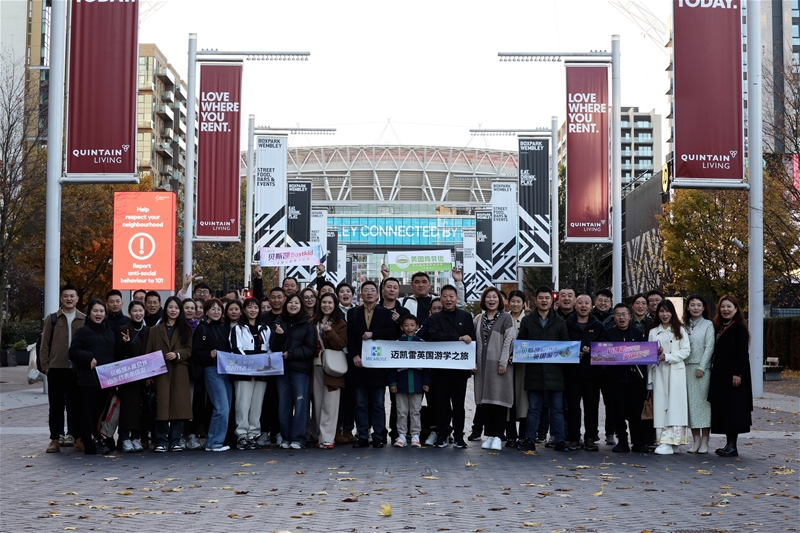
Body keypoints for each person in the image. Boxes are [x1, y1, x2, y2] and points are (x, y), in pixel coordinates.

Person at [517, 286, 570, 452]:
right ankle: (530, 439)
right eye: (541, 298)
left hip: (555, 373)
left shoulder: (559, 321)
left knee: (557, 410)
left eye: (547, 298)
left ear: (551, 300)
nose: (544, 300)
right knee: (534, 409)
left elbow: (566, 347)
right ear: (535, 300)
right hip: (534, 373)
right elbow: (521, 345)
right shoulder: (527, 321)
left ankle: (560, 440)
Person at [346, 281, 396, 448]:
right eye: (365, 290)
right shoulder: (353, 312)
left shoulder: (385, 313)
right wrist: (354, 355)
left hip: (378, 365)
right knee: (360, 403)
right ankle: (362, 435)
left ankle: (378, 435)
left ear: (377, 294)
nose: (369, 293)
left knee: (377, 403)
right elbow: (350, 337)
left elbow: (391, 333)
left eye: (372, 291)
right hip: (359, 365)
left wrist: (373, 334)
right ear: (360, 294)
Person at [424, 284, 475, 449]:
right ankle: (442, 435)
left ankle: (459, 436)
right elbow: (436, 335)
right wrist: (458, 338)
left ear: (456, 298)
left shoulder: (466, 317)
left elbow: (472, 341)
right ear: (440, 298)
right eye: (445, 296)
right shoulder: (434, 318)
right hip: (440, 370)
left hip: (459, 371)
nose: (448, 299)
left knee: (459, 405)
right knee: (442, 405)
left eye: (451, 296)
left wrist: (471, 363)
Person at [145, 296, 193, 452]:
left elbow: (189, 351)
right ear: (165, 309)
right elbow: (149, 353)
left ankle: (175, 440)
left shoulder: (186, 329)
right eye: (171, 307)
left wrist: (177, 355)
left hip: (179, 372)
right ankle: (161, 440)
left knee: (178, 407)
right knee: (162, 408)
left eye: (176, 308)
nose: (173, 310)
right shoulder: (154, 330)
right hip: (160, 373)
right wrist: (149, 376)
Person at [42, 285, 87, 454]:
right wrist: (46, 366)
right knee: (56, 406)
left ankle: (77, 438)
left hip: (76, 369)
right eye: (65, 296)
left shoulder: (84, 319)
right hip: (56, 369)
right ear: (61, 299)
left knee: (75, 406)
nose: (69, 299)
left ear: (77, 299)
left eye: (72, 296)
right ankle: (55, 439)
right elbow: (44, 345)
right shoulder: (52, 319)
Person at [69, 299, 116, 454]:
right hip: (88, 381)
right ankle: (88, 443)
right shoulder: (83, 332)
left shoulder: (109, 332)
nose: (99, 314)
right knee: (87, 413)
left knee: (100, 413)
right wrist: (88, 357)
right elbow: (73, 352)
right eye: (95, 311)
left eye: (101, 311)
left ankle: (99, 439)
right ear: (89, 313)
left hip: (106, 381)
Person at [269, 293, 316, 449]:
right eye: (290, 302)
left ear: (301, 306)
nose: (293, 305)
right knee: (284, 405)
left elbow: (310, 349)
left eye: (296, 303)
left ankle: (298, 438)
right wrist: (279, 336)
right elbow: (273, 347)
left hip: (300, 370)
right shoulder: (278, 322)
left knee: (300, 404)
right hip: (281, 370)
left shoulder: (307, 324)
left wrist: (291, 354)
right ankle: (286, 437)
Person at [708, 295, 752, 457]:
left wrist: (737, 373)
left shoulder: (739, 328)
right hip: (721, 375)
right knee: (725, 410)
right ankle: (729, 444)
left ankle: (732, 445)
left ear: (735, 309)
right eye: (723, 307)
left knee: (734, 409)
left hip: (734, 376)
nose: (726, 310)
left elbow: (742, 353)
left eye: (729, 307)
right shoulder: (719, 326)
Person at [473, 287, 515, 452]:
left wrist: (503, 361)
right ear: (484, 300)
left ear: (500, 300)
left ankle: (498, 435)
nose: (491, 300)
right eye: (488, 297)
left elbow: (509, 340)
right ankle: (489, 435)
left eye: (494, 297)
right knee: (487, 402)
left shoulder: (506, 318)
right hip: (482, 367)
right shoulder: (478, 318)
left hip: (499, 365)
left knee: (499, 401)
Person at [564, 294, 607, 451]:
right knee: (573, 407)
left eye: (586, 303)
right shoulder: (567, 324)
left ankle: (590, 437)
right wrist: (574, 352)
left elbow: (603, 347)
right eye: (580, 303)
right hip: (572, 373)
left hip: (592, 374)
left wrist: (591, 350)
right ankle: (573, 438)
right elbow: (562, 345)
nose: (583, 306)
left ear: (591, 306)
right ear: (575, 305)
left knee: (591, 407)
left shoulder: (598, 325)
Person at [648, 299, 691, 455]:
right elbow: (648, 356)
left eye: (667, 311)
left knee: (675, 407)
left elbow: (686, 351)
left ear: (672, 312)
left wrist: (668, 356)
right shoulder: (653, 332)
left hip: (675, 373)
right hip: (659, 373)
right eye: (661, 311)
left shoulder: (680, 330)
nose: (665, 314)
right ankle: (663, 440)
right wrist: (649, 381)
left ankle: (673, 441)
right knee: (660, 406)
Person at [606, 303, 649, 453]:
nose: (621, 317)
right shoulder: (608, 333)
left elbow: (645, 354)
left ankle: (638, 442)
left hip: (635, 380)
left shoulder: (637, 334)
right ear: (614, 317)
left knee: (635, 412)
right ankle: (622, 441)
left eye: (624, 314)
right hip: (615, 380)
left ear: (630, 317)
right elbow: (601, 355)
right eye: (618, 314)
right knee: (618, 412)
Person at [230, 297, 271, 450]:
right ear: (244, 310)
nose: (253, 310)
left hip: (262, 372)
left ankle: (253, 434)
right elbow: (235, 348)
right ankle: (242, 434)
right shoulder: (238, 328)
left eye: (255, 307)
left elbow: (269, 348)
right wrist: (249, 363)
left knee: (257, 404)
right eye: (249, 307)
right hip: (243, 371)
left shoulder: (265, 329)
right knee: (243, 403)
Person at [192, 299, 232, 452]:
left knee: (225, 408)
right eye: (213, 309)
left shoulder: (225, 328)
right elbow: (196, 353)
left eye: (219, 309)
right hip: (212, 370)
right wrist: (209, 354)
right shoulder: (201, 330)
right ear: (206, 311)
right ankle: (214, 442)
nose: (216, 312)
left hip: (227, 370)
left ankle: (216, 441)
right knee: (221, 407)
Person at [312, 293, 348, 449]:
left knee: (331, 403)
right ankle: (319, 436)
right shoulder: (313, 322)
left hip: (333, 366)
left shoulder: (340, 323)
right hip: (316, 365)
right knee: (318, 403)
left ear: (335, 305)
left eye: (330, 302)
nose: (326, 305)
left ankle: (328, 438)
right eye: (324, 302)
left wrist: (330, 332)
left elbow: (341, 344)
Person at [389, 315, 430, 448]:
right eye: (406, 325)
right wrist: (392, 382)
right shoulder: (397, 343)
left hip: (417, 383)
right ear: (401, 327)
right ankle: (401, 435)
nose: (409, 328)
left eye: (412, 325)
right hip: (401, 383)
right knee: (401, 411)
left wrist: (426, 382)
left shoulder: (422, 343)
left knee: (415, 411)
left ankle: (415, 435)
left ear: (417, 327)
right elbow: (391, 366)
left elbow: (427, 367)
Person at [115, 301, 151, 453]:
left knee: (140, 408)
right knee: (127, 408)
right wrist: (125, 344)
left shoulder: (149, 330)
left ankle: (136, 437)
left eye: (140, 310)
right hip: (127, 376)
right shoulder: (123, 329)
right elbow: (117, 353)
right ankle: (124, 437)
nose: (138, 313)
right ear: (130, 313)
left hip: (144, 376)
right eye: (135, 311)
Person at [683, 295, 714, 454]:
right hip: (686, 368)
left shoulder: (708, 325)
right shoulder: (684, 325)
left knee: (703, 406)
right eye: (692, 305)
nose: (695, 308)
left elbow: (709, 347)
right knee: (691, 406)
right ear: (687, 307)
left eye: (699, 305)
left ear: (703, 308)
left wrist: (702, 366)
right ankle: (695, 440)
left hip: (702, 369)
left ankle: (705, 441)